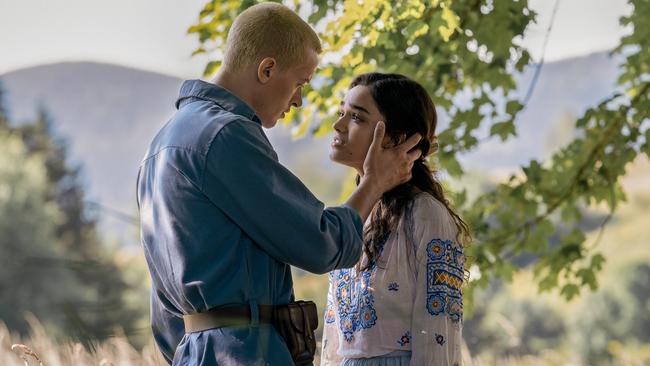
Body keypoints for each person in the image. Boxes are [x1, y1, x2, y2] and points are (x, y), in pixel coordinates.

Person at [136, 3, 422, 365]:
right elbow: (320, 244)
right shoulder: (227, 135)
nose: (299, 100)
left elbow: (163, 310)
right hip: (246, 356)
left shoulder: (159, 146)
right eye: (300, 82)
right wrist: (374, 183)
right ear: (267, 69)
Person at [320, 73, 471, 366]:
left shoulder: (425, 214)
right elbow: (334, 339)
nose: (337, 125)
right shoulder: (351, 217)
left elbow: (439, 329)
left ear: (396, 138)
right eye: (341, 113)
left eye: (356, 118)